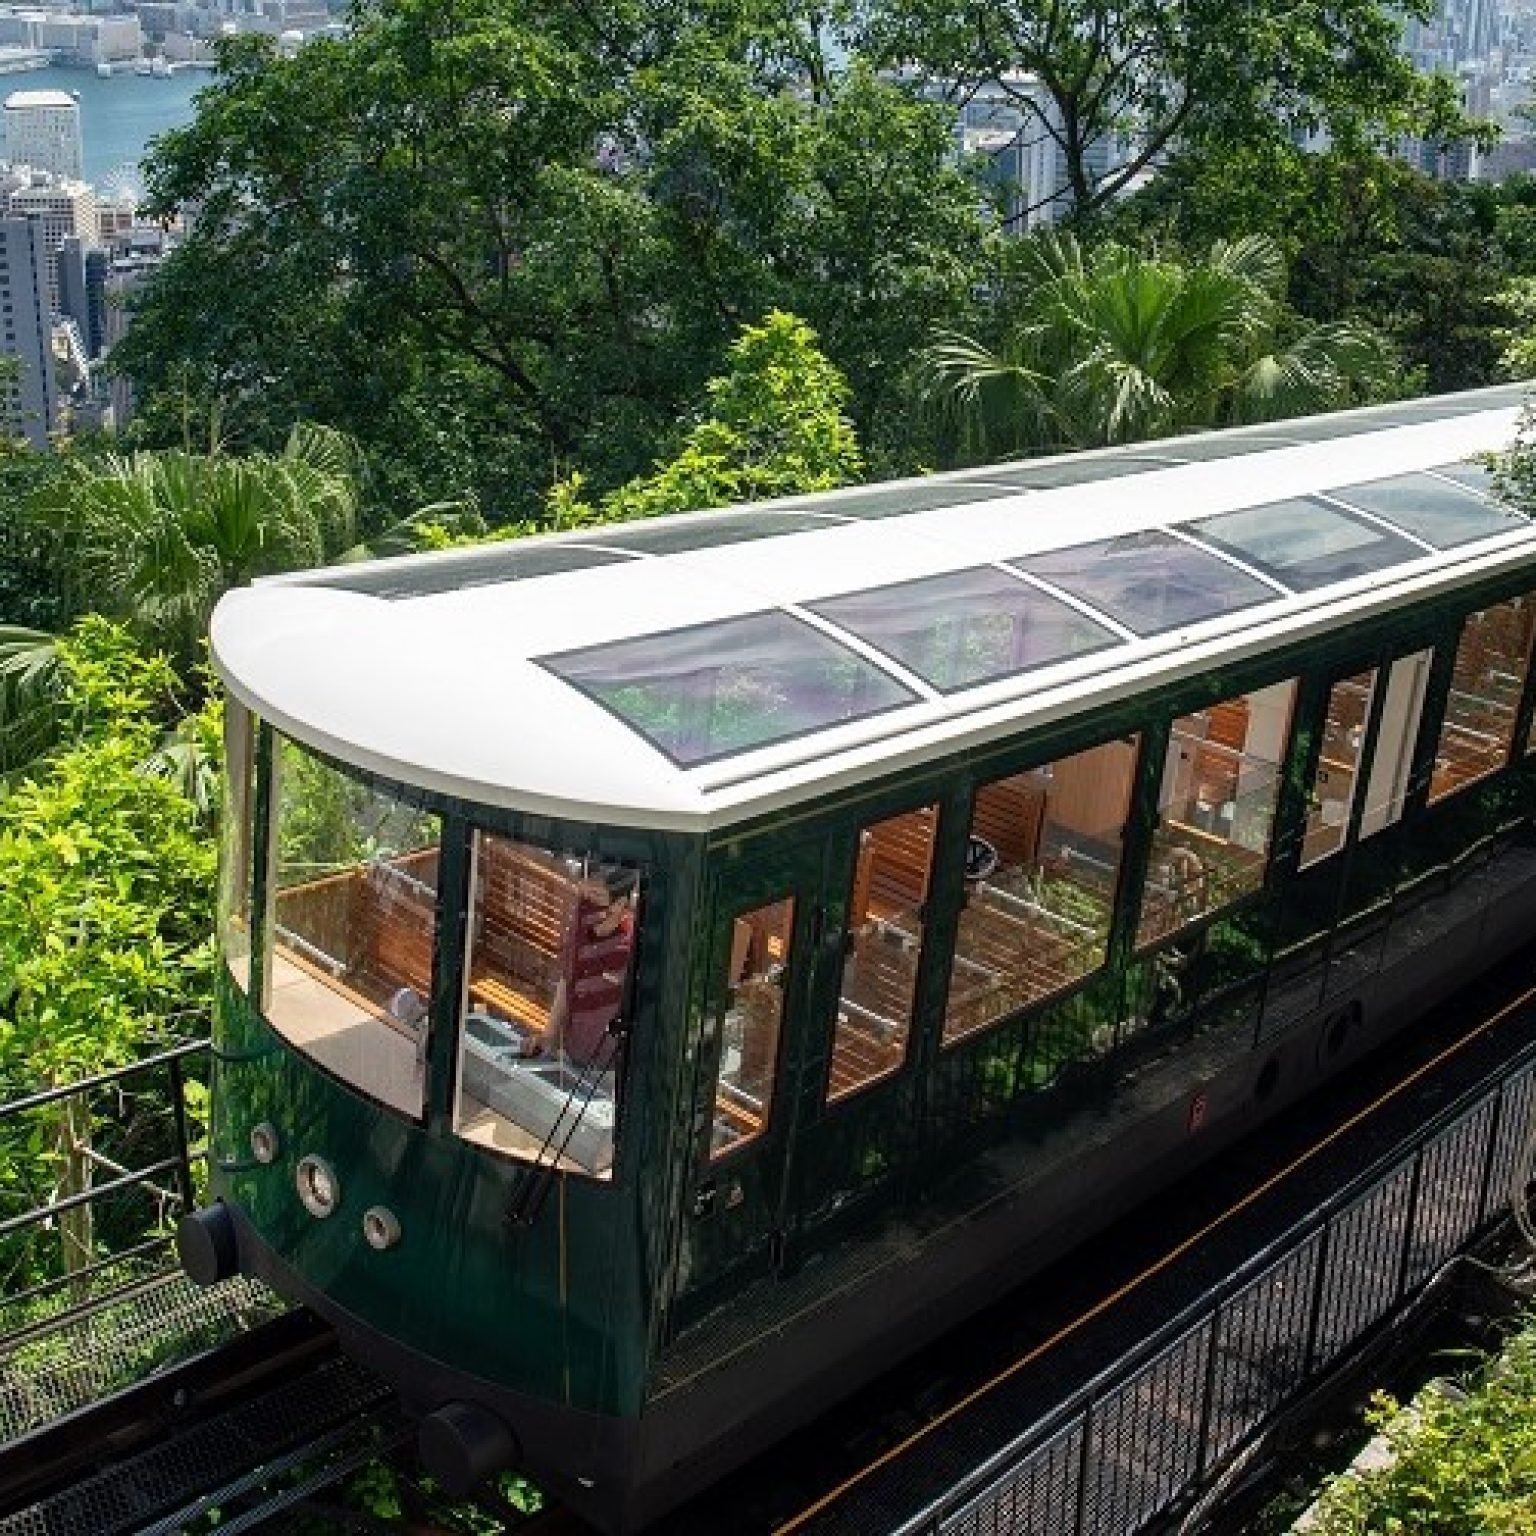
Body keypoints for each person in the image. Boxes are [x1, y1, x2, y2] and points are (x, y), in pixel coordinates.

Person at [549, 866, 638, 1068]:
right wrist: (549, 1037)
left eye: (596, 896)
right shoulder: (581, 929)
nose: (587, 904)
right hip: (572, 1054)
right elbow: (566, 979)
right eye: (584, 894)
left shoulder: (633, 946)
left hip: (608, 1068)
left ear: (620, 904)